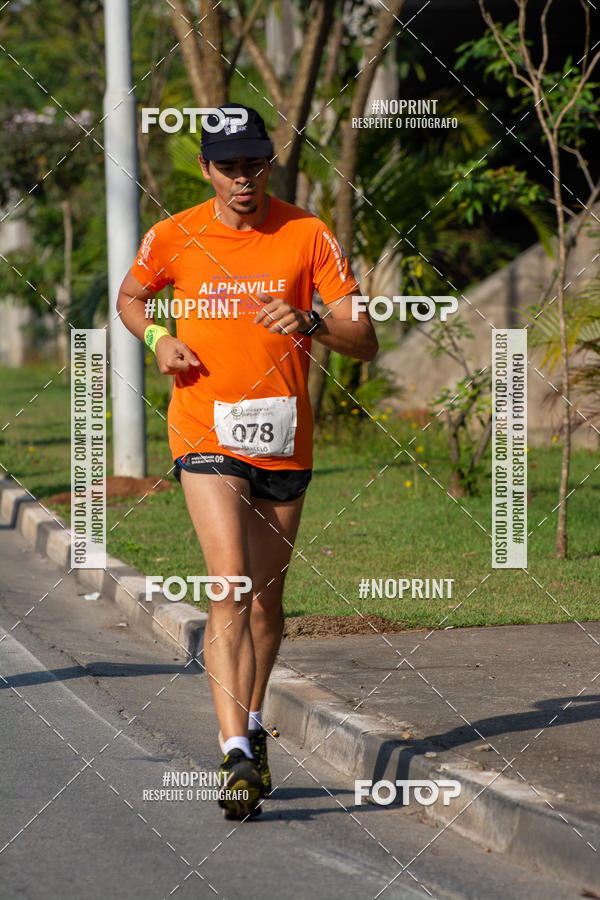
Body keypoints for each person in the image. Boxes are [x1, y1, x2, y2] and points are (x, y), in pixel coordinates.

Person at [117, 104, 377, 820]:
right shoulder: (173, 236)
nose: (243, 178)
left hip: (284, 437)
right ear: (205, 169)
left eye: (254, 162)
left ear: (270, 164)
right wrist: (158, 340)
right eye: (229, 165)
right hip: (204, 432)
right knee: (229, 585)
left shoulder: (306, 233)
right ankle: (233, 750)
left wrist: (314, 321)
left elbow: (366, 337)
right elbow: (131, 298)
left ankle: (254, 724)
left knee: (266, 602)